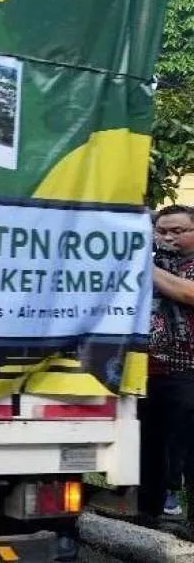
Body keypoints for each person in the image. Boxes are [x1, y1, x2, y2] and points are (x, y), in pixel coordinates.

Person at [141, 205, 194, 529]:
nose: (168, 237)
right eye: (161, 231)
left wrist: (143, 267)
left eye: (178, 231)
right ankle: (147, 514)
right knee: (149, 446)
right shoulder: (153, 262)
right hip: (146, 371)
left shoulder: (152, 266)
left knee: (190, 448)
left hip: (189, 372)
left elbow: (188, 292)